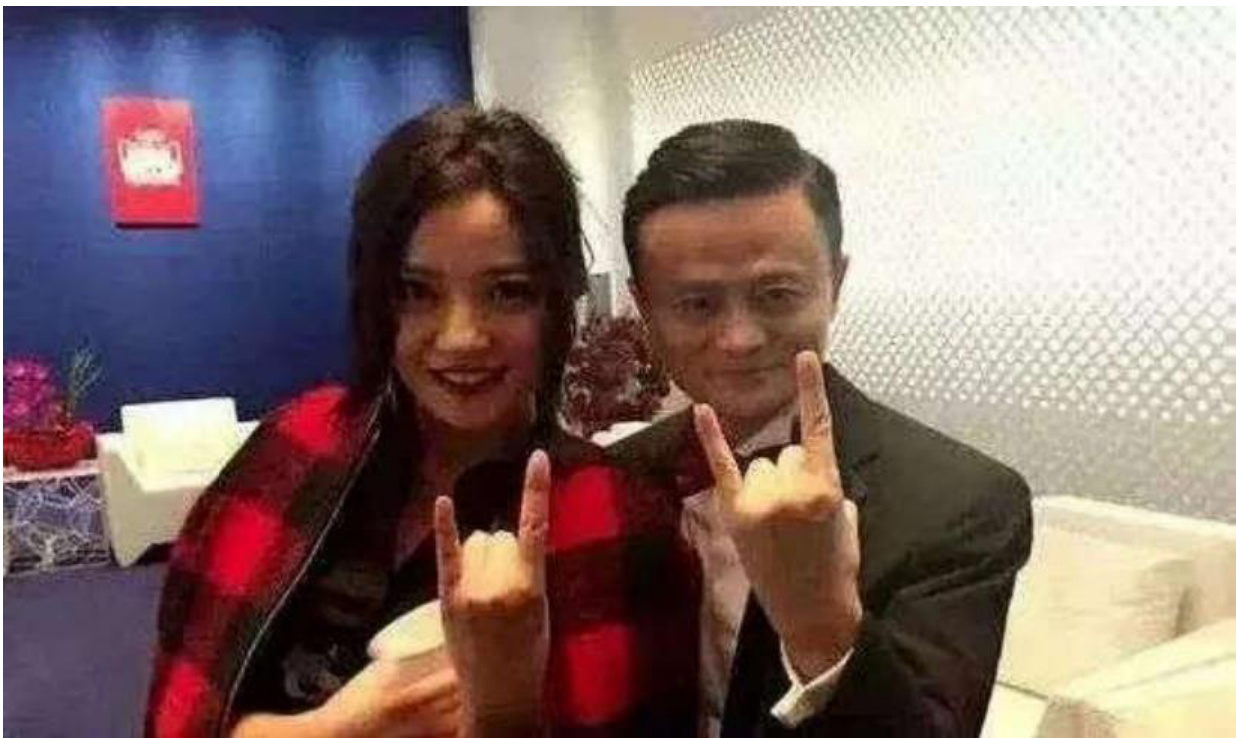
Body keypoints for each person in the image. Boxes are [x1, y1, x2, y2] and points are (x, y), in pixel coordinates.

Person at [144, 105, 700, 738]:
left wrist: (504, 707)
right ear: (378, 297)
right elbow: (185, 711)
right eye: (417, 291)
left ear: (555, 300)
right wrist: (342, 730)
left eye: (507, 291)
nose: (461, 337)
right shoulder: (296, 445)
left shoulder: (614, 515)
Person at [611, 119, 1034, 737]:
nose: (739, 339)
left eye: (777, 294)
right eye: (698, 304)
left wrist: (821, 626)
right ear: (645, 308)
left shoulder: (962, 504)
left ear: (834, 284)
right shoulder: (610, 477)